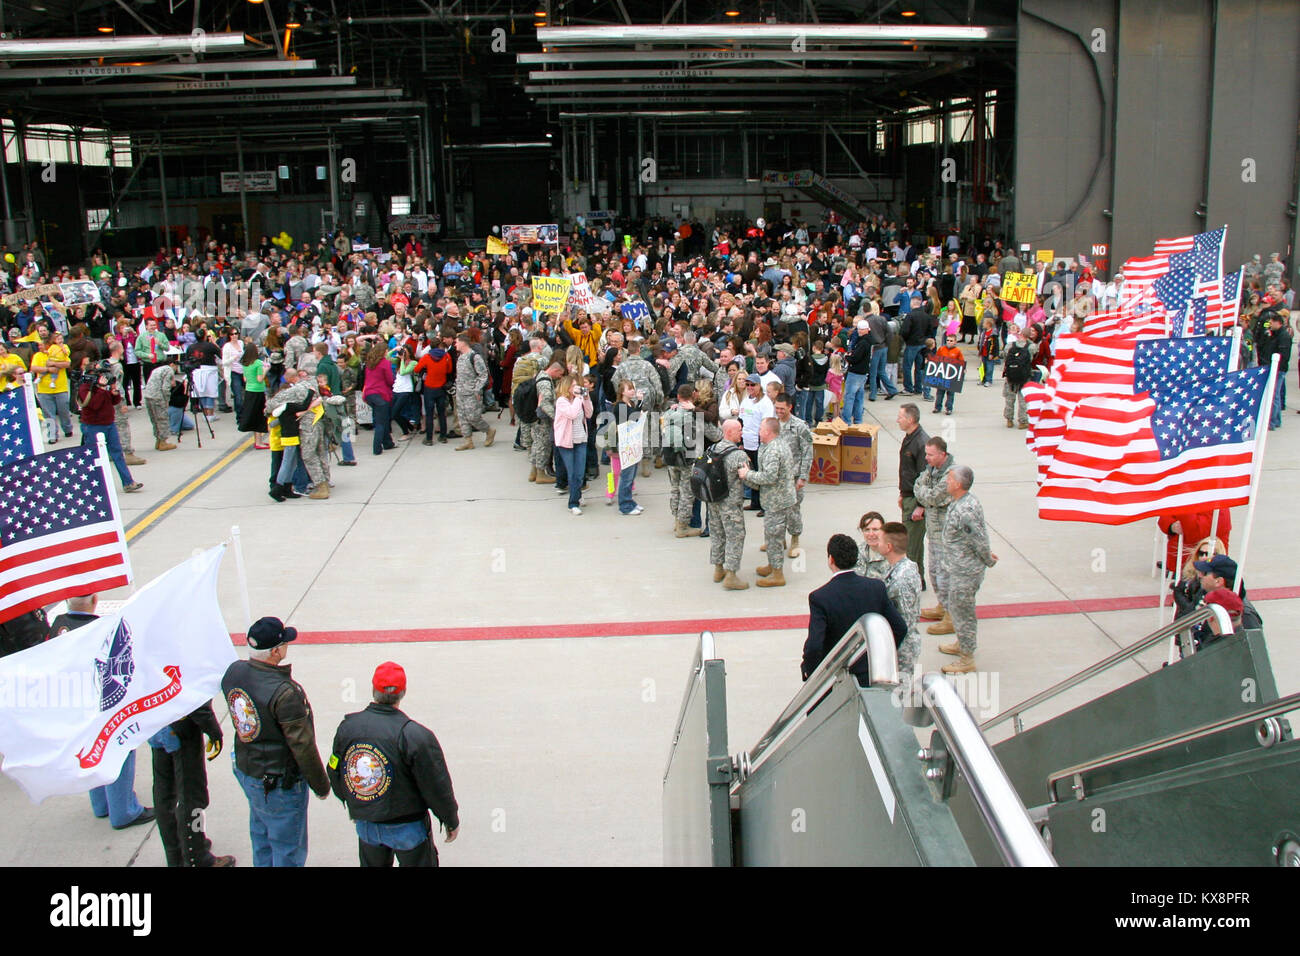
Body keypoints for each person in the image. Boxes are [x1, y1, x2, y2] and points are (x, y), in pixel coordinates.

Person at [222, 616, 330, 867]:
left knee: (262, 839)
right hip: (278, 783)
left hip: (248, 770)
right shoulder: (285, 693)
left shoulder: (234, 673)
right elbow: (302, 746)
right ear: (275, 651)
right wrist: (321, 785)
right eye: (284, 643)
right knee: (287, 850)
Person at [328, 662, 460, 867]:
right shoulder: (415, 735)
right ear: (403, 692)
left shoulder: (348, 728)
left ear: (373, 690)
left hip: (367, 823)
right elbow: (436, 785)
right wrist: (450, 819)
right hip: (407, 826)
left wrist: (356, 804)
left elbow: (334, 769)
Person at [49, 593, 155, 831]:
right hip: (101, 705)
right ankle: (124, 811)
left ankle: (100, 803)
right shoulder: (99, 629)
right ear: (95, 600)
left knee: (89, 752)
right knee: (117, 751)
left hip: (73, 705)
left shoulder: (57, 626)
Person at [802, 533, 907, 684]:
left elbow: (814, 646)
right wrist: (881, 656)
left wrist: (813, 675)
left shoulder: (820, 597)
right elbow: (900, 628)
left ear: (831, 559)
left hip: (838, 677)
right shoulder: (876, 587)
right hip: (872, 670)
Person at [148, 703, 236, 867]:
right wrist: (211, 727)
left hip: (154, 721)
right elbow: (192, 692)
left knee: (164, 792)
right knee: (192, 796)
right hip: (180, 725)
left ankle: (176, 853)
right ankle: (197, 855)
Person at [938, 465, 997, 673]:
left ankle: (967, 658)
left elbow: (978, 539)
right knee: (957, 609)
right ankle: (962, 644)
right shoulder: (961, 501)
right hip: (958, 567)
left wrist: (988, 558)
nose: (947, 481)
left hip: (966, 571)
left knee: (963, 614)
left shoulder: (965, 509)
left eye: (950, 478)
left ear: (959, 484)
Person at [737, 417, 796, 588]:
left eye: (761, 429)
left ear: (769, 432)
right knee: (771, 535)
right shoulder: (773, 445)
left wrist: (747, 475)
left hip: (777, 501)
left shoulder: (773, 450)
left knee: (774, 536)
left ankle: (777, 574)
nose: (758, 432)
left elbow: (770, 476)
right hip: (776, 499)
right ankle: (772, 565)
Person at [77, 359, 143, 493]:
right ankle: (93, 485)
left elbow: (114, 401)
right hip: (93, 426)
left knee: (118, 454)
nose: (104, 376)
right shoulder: (85, 387)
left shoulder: (104, 385)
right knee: (94, 457)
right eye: (100, 373)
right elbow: (94, 405)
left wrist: (114, 392)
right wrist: (101, 389)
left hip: (109, 424)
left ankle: (128, 482)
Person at [914, 437, 956, 632]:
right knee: (934, 571)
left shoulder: (951, 474)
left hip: (946, 534)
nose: (927, 458)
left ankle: (950, 616)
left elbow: (935, 497)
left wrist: (924, 493)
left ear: (942, 454)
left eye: (930, 455)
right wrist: (924, 492)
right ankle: (942, 606)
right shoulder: (931, 470)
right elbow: (918, 484)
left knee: (945, 575)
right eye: (926, 454)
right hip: (933, 530)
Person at [707, 419, 750, 590]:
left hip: (714, 501)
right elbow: (750, 480)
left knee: (717, 534)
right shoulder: (738, 455)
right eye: (739, 430)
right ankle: (731, 574)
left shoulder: (712, 449)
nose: (742, 433)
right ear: (729, 432)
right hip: (731, 504)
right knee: (735, 536)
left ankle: (718, 569)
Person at [878, 522, 923, 684]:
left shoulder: (901, 579)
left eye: (880, 541)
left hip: (902, 649)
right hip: (897, 644)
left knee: (898, 696)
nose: (878, 544)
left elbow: (905, 622)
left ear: (889, 546)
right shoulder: (899, 568)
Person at [662, 383, 706, 537]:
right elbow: (703, 436)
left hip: (671, 457)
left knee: (675, 489)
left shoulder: (669, 412)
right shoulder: (693, 414)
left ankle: (676, 520)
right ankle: (683, 526)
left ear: (679, 396)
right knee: (687, 492)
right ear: (693, 395)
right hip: (687, 458)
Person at [896, 403, 928, 581]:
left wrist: (920, 506)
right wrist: (903, 494)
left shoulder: (921, 443)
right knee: (914, 544)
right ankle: (919, 579)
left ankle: (912, 582)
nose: (897, 420)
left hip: (916, 502)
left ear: (910, 419)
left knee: (910, 546)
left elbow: (925, 478)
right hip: (909, 497)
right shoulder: (910, 438)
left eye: (900, 417)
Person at [553, 374, 593, 514]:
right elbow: (572, 414)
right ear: (567, 387)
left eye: (578, 385)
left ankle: (577, 495)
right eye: (574, 385)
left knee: (580, 472)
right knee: (572, 473)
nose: (577, 388)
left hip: (580, 439)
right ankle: (573, 503)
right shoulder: (561, 401)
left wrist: (586, 399)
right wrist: (578, 398)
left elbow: (588, 414)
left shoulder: (579, 400)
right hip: (566, 442)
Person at [453, 333, 496, 450]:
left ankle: (489, 431)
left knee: (473, 417)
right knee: (462, 418)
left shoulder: (475, 357)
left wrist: (477, 389)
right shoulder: (460, 357)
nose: (455, 344)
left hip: (472, 393)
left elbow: (483, 375)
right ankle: (468, 441)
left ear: (463, 343)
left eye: (457, 342)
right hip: (460, 392)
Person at [738, 373, 774, 512]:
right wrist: (740, 441)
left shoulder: (765, 403)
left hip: (759, 443)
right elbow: (741, 420)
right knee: (751, 474)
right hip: (747, 443)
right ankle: (755, 502)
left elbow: (766, 424)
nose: (750, 387)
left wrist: (762, 443)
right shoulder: (746, 399)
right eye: (747, 385)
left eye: (753, 385)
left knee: (762, 475)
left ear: (759, 386)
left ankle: (765, 505)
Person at [30, 330, 73, 444]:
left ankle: (68, 428)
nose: (40, 347)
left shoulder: (59, 351)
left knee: (63, 411)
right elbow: (34, 368)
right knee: (48, 414)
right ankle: (52, 435)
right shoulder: (37, 356)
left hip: (61, 387)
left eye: (42, 345)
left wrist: (54, 364)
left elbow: (67, 363)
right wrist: (48, 369)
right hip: (44, 389)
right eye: (38, 345)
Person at [1002, 325, 1032, 428]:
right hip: (1024, 377)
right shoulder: (1031, 346)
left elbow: (1005, 356)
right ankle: (1022, 421)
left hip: (1010, 376)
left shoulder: (1010, 345)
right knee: (1022, 399)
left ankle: (1009, 420)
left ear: (1020, 334)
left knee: (1009, 398)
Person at [931, 332, 965, 415]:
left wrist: (963, 369)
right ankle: (937, 407)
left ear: (955, 342)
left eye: (951, 341)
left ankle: (949, 408)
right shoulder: (941, 349)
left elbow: (961, 362)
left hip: (951, 376)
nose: (949, 342)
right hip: (942, 375)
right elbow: (936, 359)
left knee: (950, 394)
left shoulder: (957, 351)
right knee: (939, 393)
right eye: (948, 340)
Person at [854, 511, 889, 579]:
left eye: (875, 529)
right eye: (867, 530)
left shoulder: (892, 554)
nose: (871, 534)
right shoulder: (855, 552)